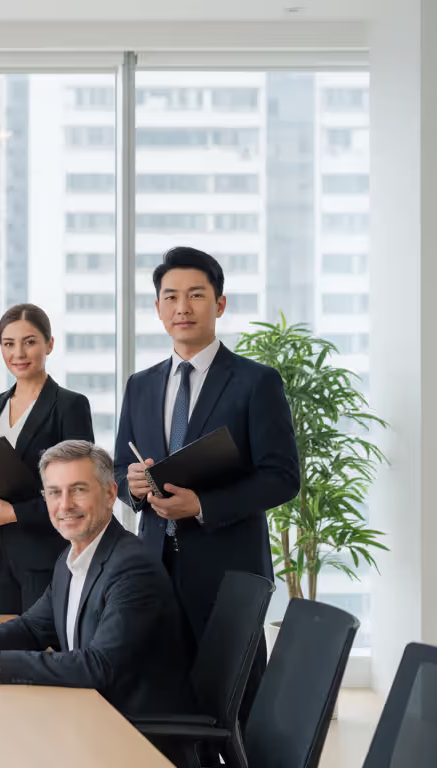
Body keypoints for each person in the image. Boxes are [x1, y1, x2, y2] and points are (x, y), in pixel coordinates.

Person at [114, 246, 299, 719]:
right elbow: (118, 469)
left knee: (242, 712)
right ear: (157, 308)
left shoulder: (256, 383)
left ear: (219, 303)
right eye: (171, 296)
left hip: (229, 576)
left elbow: (282, 478)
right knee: (163, 707)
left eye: (196, 295)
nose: (183, 307)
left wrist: (201, 505)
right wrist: (132, 485)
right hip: (155, 572)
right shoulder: (140, 385)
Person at [0, 441, 193, 718]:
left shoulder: (133, 567)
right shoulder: (73, 555)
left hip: (132, 728)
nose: (64, 505)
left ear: (111, 493)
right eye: (54, 493)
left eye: (78, 490)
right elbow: (33, 628)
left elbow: (99, 666)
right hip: (85, 711)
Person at [0, 303, 93, 615]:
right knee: (4, 646)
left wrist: (14, 512)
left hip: (44, 553)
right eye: (9, 344)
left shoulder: (69, 406)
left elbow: (79, 490)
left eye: (29, 342)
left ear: (49, 344)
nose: (18, 353)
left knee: (39, 652)